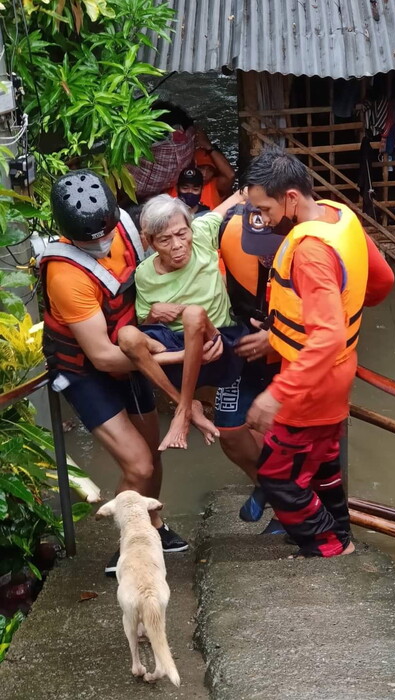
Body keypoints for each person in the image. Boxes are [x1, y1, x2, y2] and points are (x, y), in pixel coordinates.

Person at [244, 148, 395, 558]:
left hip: (310, 387)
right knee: (324, 462)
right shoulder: (338, 215)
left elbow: (324, 337)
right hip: (339, 373)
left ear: (291, 198)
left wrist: (276, 393)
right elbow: (382, 281)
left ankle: (330, 545)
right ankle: (341, 532)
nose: (264, 219)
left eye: (265, 208)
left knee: (277, 476)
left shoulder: (310, 252)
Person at [40, 170, 189, 576]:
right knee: (137, 466)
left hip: (132, 346)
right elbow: (103, 357)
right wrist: (175, 356)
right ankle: (128, 550)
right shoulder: (66, 274)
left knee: (152, 457)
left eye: (103, 234)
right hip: (86, 369)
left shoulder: (125, 224)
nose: (100, 244)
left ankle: (154, 528)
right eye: (89, 241)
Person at [117, 192, 249, 452]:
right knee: (126, 336)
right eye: (165, 240)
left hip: (216, 340)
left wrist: (251, 188)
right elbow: (145, 320)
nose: (177, 245)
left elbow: (232, 201)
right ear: (150, 242)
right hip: (178, 349)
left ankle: (182, 412)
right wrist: (155, 312)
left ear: (189, 228)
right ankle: (186, 405)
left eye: (181, 234)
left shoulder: (199, 234)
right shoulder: (145, 274)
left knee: (193, 313)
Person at [215, 202, 285, 532]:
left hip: (289, 355)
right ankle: (273, 488)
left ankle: (289, 510)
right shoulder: (225, 229)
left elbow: (332, 315)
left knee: (289, 437)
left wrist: (276, 338)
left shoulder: (310, 243)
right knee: (228, 430)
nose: (264, 254)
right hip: (242, 345)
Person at [193, 129, 235, 208]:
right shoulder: (180, 184)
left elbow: (230, 175)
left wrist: (209, 147)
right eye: (201, 168)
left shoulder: (217, 184)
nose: (205, 174)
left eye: (210, 169)